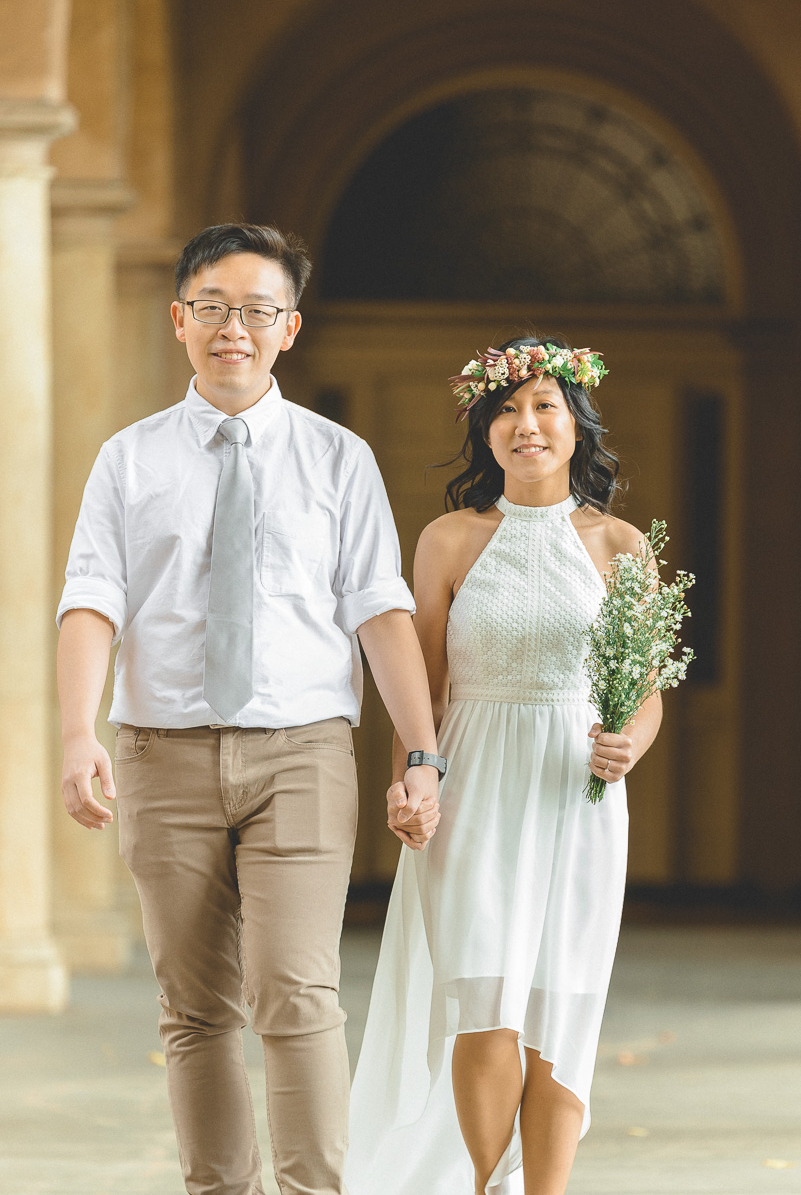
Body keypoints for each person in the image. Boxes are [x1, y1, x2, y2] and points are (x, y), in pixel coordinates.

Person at [56, 222, 442, 1195]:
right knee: (194, 1007)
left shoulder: (338, 460)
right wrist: (76, 734)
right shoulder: (129, 461)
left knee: (296, 989)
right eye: (216, 308)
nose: (236, 327)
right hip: (161, 752)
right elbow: (91, 603)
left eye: (258, 310)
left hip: (302, 751)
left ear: (290, 328)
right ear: (180, 320)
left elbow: (381, 612)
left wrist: (422, 755)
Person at [347, 337, 664, 1195]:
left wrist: (629, 740)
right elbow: (423, 688)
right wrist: (414, 780)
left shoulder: (622, 545)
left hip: (577, 792)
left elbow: (645, 689)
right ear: (484, 433)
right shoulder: (448, 539)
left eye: (544, 407)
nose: (525, 425)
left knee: (560, 1001)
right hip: (475, 781)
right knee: (483, 994)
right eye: (505, 411)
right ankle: (486, 1185)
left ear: (575, 426)